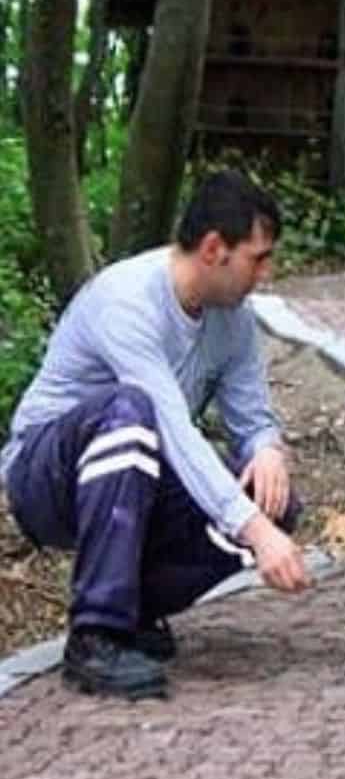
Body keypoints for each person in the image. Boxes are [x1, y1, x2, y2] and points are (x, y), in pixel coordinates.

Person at [1, 170, 310, 700]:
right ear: (214, 248)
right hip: (46, 475)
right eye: (257, 258)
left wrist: (266, 451)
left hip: (140, 469)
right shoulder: (126, 302)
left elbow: (252, 417)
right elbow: (170, 425)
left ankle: (135, 609)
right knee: (132, 411)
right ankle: (96, 633)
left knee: (271, 498)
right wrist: (257, 534)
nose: (267, 273)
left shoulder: (232, 318)